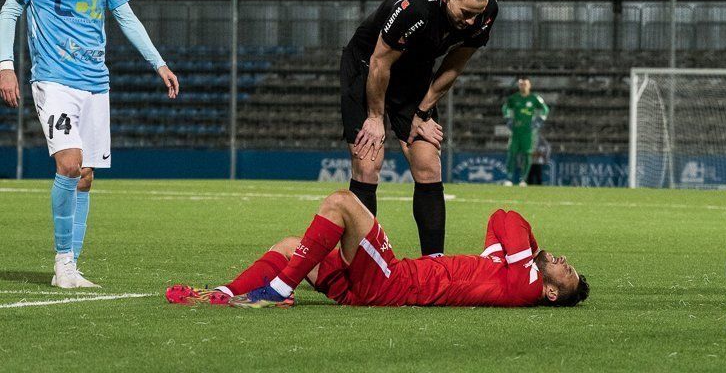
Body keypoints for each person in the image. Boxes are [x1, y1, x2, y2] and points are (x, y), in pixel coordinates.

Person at [0, 0, 179, 289]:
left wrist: (159, 63)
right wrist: (5, 67)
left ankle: (72, 267)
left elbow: (126, 17)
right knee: (68, 163)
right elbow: (10, 10)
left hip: (96, 84)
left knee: (84, 177)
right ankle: (63, 264)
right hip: (54, 80)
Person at [165, 189, 589, 308]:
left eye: (567, 273)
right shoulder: (511, 268)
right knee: (292, 245)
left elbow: (512, 223)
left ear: (552, 292)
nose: (564, 262)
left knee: (342, 203)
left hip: (390, 284)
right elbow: (503, 216)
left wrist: (529, 253)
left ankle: (277, 290)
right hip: (378, 285)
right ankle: (226, 292)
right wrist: (533, 251)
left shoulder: (522, 287)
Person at [341, 0, 498, 256]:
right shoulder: (413, 9)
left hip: (413, 74)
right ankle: (357, 268)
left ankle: (434, 265)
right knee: (368, 162)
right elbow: (379, 64)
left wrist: (423, 113)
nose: (472, 20)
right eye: (466, 13)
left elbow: (455, 63)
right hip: (367, 67)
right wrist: (376, 118)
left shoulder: (484, 14)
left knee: (428, 163)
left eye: (478, 12)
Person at [502, 76, 549, 187]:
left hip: (528, 132)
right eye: (521, 84)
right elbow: (505, 108)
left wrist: (540, 120)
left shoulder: (534, 98)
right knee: (512, 153)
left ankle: (523, 179)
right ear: (518, 85)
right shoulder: (514, 98)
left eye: (525, 84)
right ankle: (508, 179)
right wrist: (508, 118)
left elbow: (545, 109)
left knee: (527, 155)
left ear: (529, 85)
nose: (523, 86)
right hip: (516, 131)